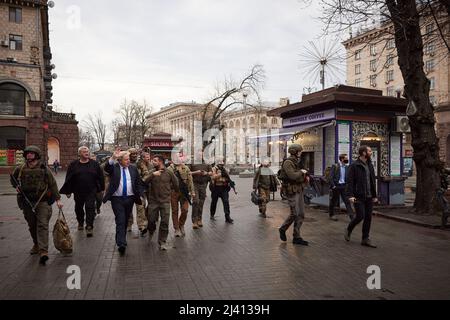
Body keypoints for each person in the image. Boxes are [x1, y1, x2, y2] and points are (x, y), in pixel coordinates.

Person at [10, 146, 63, 265]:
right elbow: (13, 179)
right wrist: (17, 187)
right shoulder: (20, 168)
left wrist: (58, 199)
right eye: (27, 153)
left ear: (37, 155)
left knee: (42, 225)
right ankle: (36, 243)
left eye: (31, 153)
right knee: (32, 225)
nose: (29, 155)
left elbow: (53, 184)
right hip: (27, 202)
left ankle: (43, 251)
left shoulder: (44, 169)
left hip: (42, 201)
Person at [103, 149, 145, 255]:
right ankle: (121, 243)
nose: (128, 161)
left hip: (130, 198)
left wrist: (141, 195)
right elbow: (107, 167)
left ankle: (121, 237)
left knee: (126, 220)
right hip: (117, 199)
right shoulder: (114, 168)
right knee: (120, 220)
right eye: (126, 159)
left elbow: (138, 182)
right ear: (120, 160)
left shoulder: (133, 168)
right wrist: (113, 157)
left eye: (128, 159)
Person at [59, 147, 104, 237]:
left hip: (91, 190)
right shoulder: (73, 165)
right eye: (84, 152)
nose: (86, 153)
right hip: (78, 191)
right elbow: (69, 178)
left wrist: (101, 188)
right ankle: (80, 222)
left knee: (90, 207)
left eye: (87, 151)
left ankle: (89, 226)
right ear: (79, 154)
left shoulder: (94, 164)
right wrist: (68, 191)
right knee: (78, 208)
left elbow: (100, 176)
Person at [345, 145, 378, 248]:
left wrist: (374, 195)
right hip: (358, 196)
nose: (371, 152)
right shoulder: (354, 166)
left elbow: (372, 181)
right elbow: (350, 182)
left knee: (368, 217)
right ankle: (349, 229)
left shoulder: (370, 165)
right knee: (360, 216)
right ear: (364, 153)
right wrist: (350, 195)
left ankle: (365, 239)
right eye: (369, 151)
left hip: (369, 196)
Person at [143, 154, 179, 250]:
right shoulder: (152, 172)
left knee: (164, 222)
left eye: (154, 160)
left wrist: (169, 190)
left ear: (160, 162)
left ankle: (162, 242)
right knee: (151, 220)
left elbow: (176, 184)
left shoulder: (169, 172)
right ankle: (151, 229)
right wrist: (152, 175)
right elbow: (144, 182)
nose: (152, 162)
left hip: (165, 201)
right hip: (153, 201)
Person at [278, 144, 309, 246]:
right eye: (299, 151)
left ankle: (297, 237)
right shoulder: (288, 162)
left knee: (301, 214)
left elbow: (302, 173)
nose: (301, 153)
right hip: (291, 190)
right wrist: (301, 172)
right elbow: (292, 176)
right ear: (295, 151)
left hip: (299, 189)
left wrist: (304, 174)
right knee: (295, 213)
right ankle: (283, 229)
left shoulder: (297, 161)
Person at [169, 154, 195, 237]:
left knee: (185, 210)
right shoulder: (170, 169)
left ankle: (181, 224)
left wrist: (192, 191)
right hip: (173, 192)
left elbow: (190, 181)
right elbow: (166, 181)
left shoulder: (186, 168)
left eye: (180, 158)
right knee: (174, 211)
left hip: (184, 192)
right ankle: (176, 228)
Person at [190, 151, 213, 229]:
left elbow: (211, 172)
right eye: (199, 154)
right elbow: (188, 173)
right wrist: (196, 172)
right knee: (195, 201)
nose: (200, 155)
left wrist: (206, 173)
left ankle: (199, 219)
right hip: (194, 184)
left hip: (204, 184)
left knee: (201, 202)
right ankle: (194, 221)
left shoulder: (207, 162)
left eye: (201, 154)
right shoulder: (192, 162)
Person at [328, 154, 354, 221]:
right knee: (334, 201)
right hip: (336, 187)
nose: (347, 160)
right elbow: (330, 177)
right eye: (346, 158)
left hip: (344, 186)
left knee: (347, 202)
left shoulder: (347, 167)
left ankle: (352, 217)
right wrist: (333, 186)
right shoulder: (335, 166)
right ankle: (331, 214)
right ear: (342, 159)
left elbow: (348, 178)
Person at [135, 150, 154, 236]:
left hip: (149, 189)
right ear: (142, 158)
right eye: (147, 157)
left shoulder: (151, 165)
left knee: (150, 206)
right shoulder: (137, 165)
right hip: (140, 189)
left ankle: (148, 222)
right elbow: (141, 178)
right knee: (140, 207)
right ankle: (142, 226)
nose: (148, 158)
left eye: (149, 157)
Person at [210, 157, 234, 224]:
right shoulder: (214, 168)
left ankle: (227, 217)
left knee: (226, 202)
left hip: (224, 188)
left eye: (222, 163)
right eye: (220, 163)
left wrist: (230, 182)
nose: (221, 164)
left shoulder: (225, 169)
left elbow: (228, 177)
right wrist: (220, 174)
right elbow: (213, 177)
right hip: (216, 188)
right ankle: (212, 215)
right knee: (214, 202)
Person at [126, 148, 140, 232]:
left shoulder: (140, 163)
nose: (134, 155)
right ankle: (129, 224)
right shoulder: (125, 163)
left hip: (139, 189)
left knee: (140, 207)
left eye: (136, 154)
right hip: (129, 189)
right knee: (128, 208)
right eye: (132, 154)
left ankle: (141, 226)